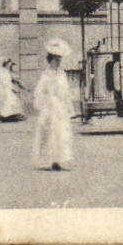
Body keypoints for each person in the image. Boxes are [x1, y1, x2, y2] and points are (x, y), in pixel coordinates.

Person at [31, 42, 76, 170]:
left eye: (59, 60)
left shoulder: (62, 74)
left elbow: (66, 92)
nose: (58, 62)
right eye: (56, 60)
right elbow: (39, 91)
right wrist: (45, 102)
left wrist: (69, 108)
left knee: (62, 132)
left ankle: (59, 160)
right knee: (50, 133)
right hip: (50, 106)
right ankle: (48, 160)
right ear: (50, 60)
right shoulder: (46, 75)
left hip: (60, 107)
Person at [0, 58, 26, 122]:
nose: (10, 66)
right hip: (4, 89)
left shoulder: (7, 72)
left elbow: (14, 79)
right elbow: (5, 82)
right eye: (10, 64)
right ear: (6, 64)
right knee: (8, 102)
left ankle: (13, 116)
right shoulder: (2, 71)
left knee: (13, 101)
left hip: (8, 89)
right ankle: (5, 117)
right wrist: (13, 88)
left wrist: (19, 85)